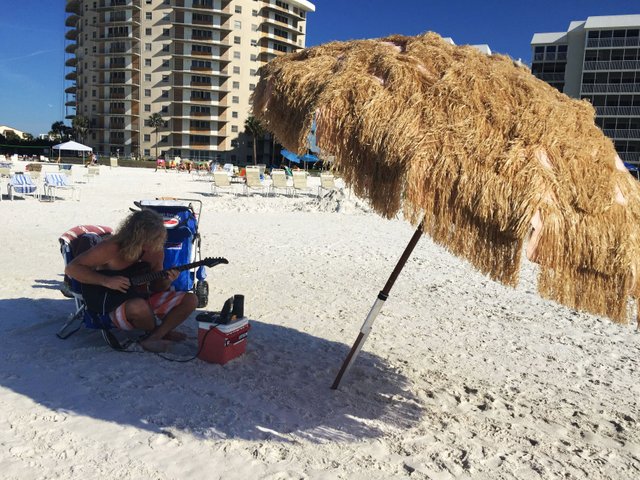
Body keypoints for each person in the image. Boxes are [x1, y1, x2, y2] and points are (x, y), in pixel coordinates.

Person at [65, 210, 198, 352]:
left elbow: (157, 287)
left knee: (191, 299)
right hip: (111, 302)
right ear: (135, 236)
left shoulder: (155, 250)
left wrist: (167, 281)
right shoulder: (111, 247)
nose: (152, 244)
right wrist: (106, 281)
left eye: (156, 239)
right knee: (139, 306)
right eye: (149, 239)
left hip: (139, 296)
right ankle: (161, 332)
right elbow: (72, 269)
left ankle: (155, 336)